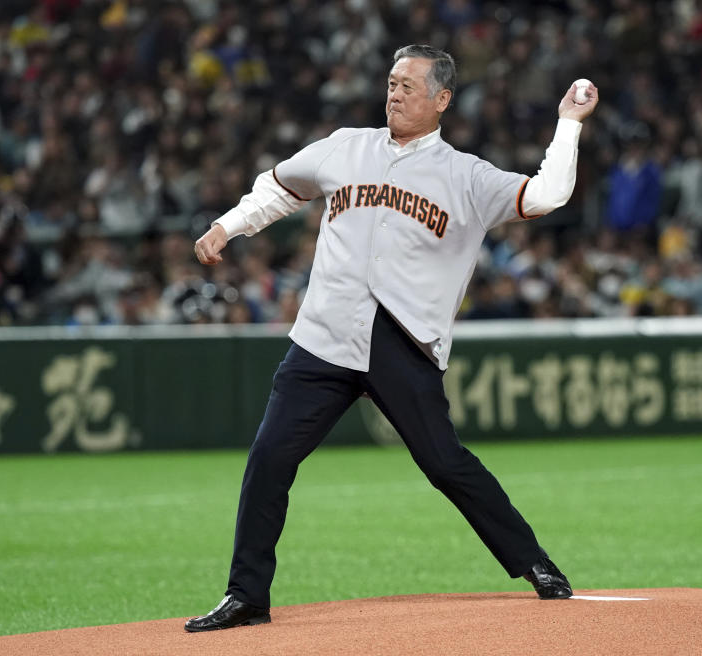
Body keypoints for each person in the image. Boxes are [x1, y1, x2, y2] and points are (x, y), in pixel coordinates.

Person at [187, 45, 598, 632]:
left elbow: (547, 195)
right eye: (392, 81)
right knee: (269, 458)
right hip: (324, 335)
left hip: (400, 341)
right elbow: (280, 187)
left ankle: (532, 561)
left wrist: (567, 124)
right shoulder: (345, 146)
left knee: (445, 464)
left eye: (410, 84)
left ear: (442, 99)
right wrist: (228, 225)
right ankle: (246, 595)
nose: (396, 92)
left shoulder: (465, 175)